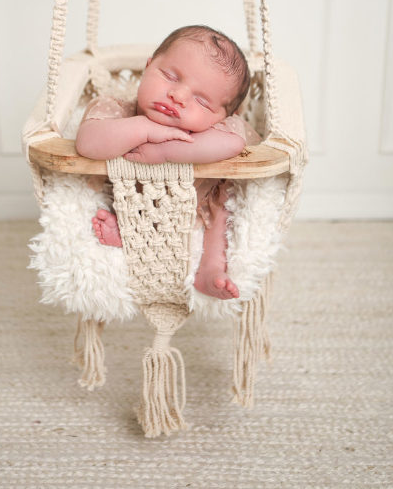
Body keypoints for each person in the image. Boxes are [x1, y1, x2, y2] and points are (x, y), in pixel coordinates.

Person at [75, 25, 261, 300]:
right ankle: (129, 235)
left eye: (202, 100)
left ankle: (210, 268)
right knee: (115, 203)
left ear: (225, 115)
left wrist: (166, 152)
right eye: (170, 76)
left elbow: (233, 144)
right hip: (134, 202)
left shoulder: (220, 129)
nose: (179, 96)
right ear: (148, 66)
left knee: (226, 205)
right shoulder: (116, 109)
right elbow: (87, 142)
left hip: (196, 206)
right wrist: (146, 130)